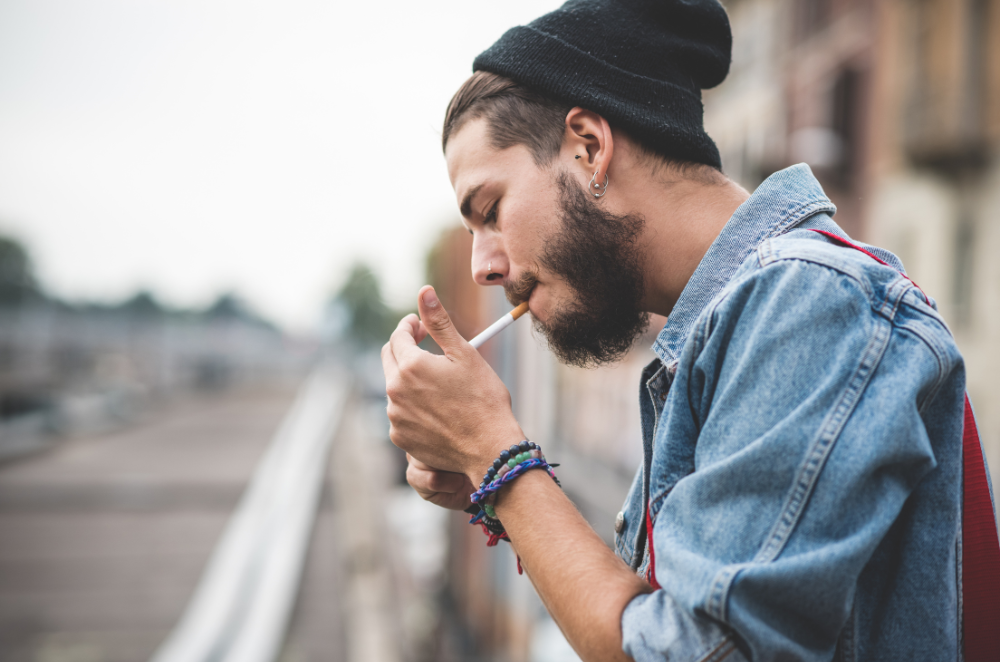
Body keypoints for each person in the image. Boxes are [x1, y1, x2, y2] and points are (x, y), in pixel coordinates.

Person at [381, 1, 995, 660]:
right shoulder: (723, 332)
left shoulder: (806, 301)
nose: (481, 267)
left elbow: (688, 650)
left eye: (491, 210)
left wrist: (497, 458)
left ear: (589, 146)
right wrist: (495, 484)